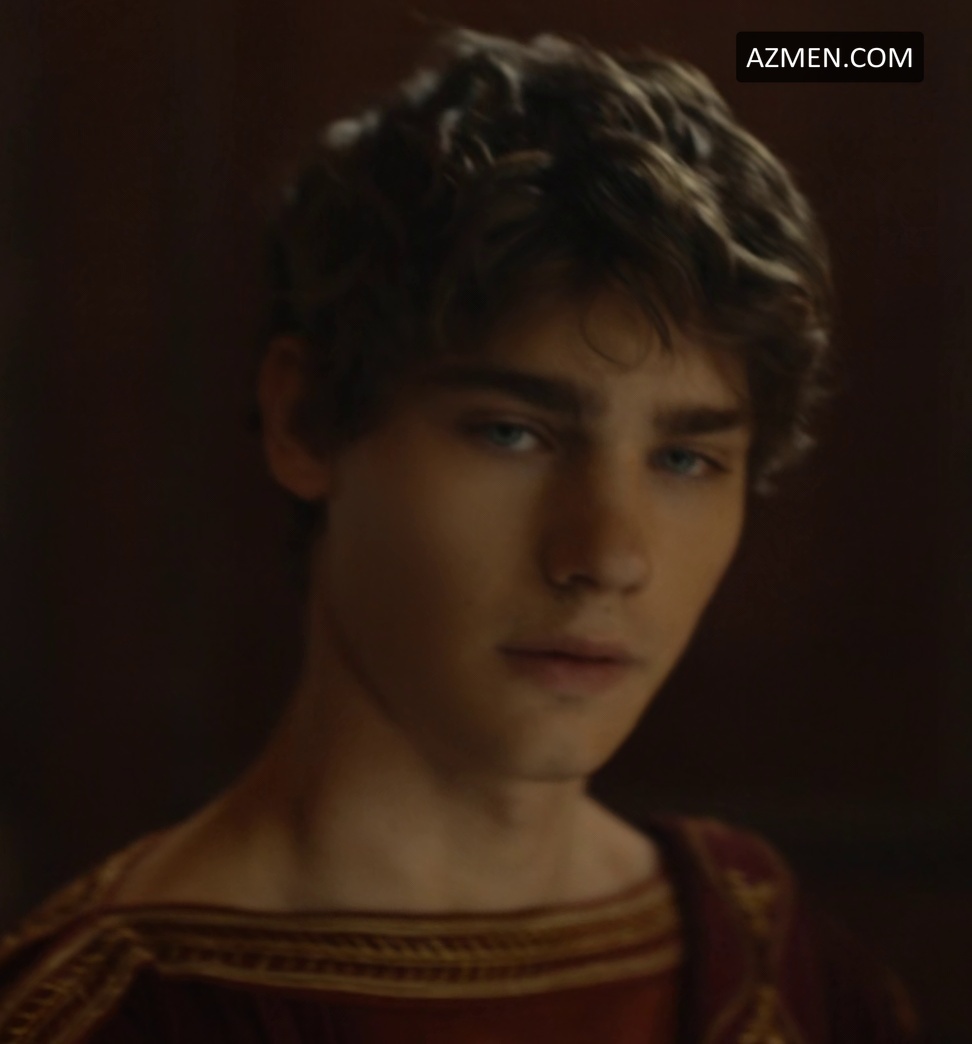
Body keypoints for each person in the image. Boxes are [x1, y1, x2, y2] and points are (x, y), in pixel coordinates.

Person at [0, 28, 917, 1044]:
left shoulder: (777, 965)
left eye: (684, 458)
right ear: (306, 420)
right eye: (511, 433)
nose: (609, 556)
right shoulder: (112, 1011)